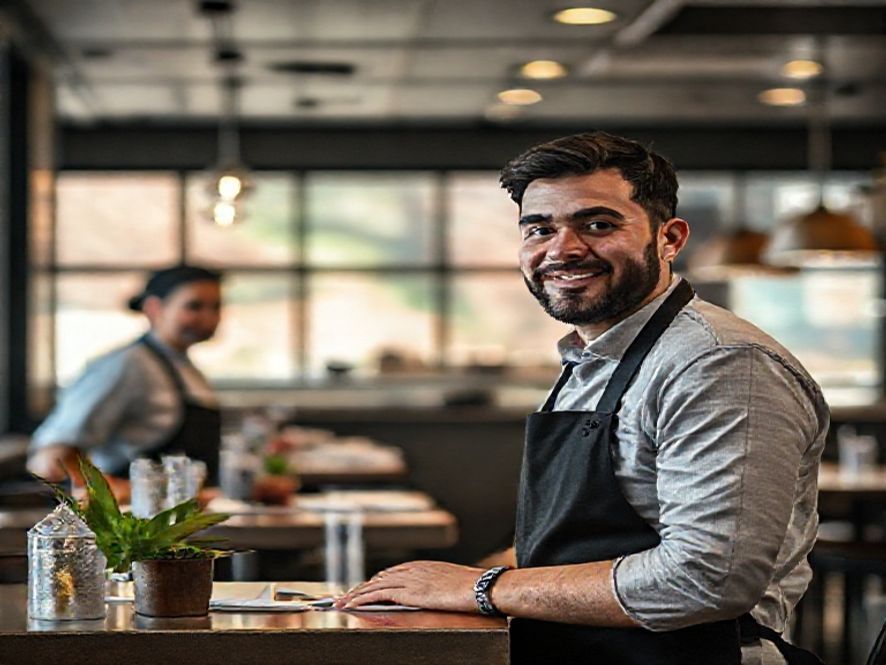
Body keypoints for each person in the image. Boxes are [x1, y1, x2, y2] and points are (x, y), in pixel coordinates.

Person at [336, 131, 828, 665]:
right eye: (540, 228)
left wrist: (482, 588)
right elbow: (574, 545)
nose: (563, 249)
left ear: (670, 238)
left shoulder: (719, 364)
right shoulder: (595, 356)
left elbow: (707, 579)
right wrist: (430, 585)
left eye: (598, 224)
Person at [27, 265, 223, 498]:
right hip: (137, 525)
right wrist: (110, 494)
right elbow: (52, 456)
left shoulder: (185, 367)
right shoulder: (128, 364)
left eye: (216, 307)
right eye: (194, 306)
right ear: (154, 308)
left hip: (180, 520)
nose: (209, 317)